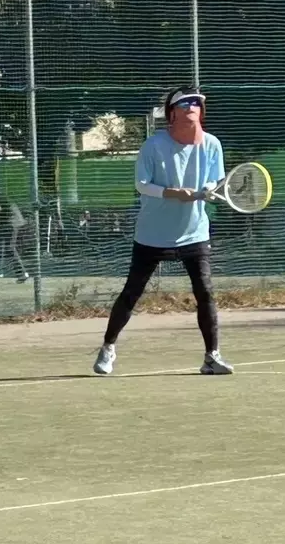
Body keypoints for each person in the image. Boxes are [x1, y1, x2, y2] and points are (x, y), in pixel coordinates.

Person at [93, 86, 233, 376]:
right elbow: (142, 185)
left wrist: (207, 189)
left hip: (195, 232)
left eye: (197, 103)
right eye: (185, 104)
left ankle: (211, 356)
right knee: (131, 292)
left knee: (205, 292)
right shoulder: (153, 146)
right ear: (172, 113)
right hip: (152, 234)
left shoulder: (211, 144)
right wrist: (172, 193)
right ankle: (108, 347)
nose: (193, 107)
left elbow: (215, 179)